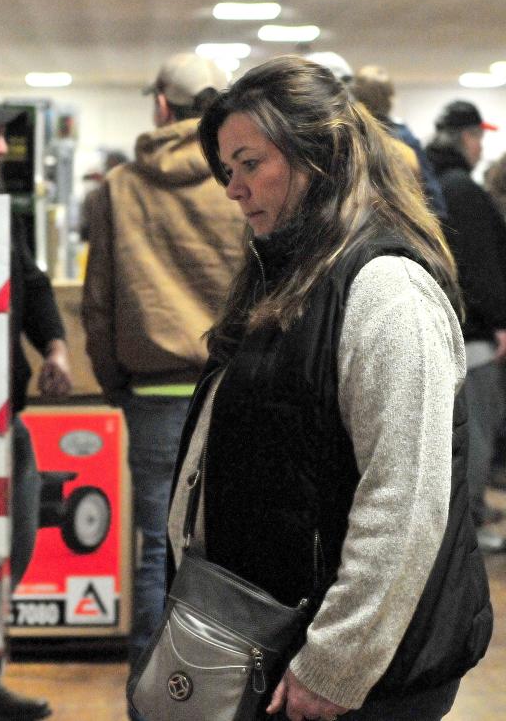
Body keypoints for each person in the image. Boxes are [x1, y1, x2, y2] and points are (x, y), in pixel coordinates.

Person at [161, 55, 492, 720]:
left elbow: (405, 501)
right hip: (276, 635)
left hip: (360, 679)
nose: (233, 188)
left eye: (250, 163)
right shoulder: (290, 273)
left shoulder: (385, 290)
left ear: (318, 155)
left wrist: (334, 664)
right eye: (229, 169)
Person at [81, 51, 246, 688]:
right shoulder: (239, 181)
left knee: (158, 552)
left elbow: (99, 303)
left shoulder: (119, 189)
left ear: (160, 106)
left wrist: (117, 383)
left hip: (154, 394)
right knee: (230, 557)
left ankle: (151, 702)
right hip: (233, 390)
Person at [0, 85, 72, 721]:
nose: (2, 147)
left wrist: (56, 348)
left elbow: (30, 282)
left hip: (6, 417)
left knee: (14, 547)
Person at [425, 100, 506, 554]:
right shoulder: (463, 191)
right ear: (466, 139)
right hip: (474, 337)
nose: (482, 146)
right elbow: (481, 269)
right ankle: (469, 529)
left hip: (450, 329)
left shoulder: (432, 182)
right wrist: (499, 321)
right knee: (475, 433)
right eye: (479, 137)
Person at [350, 64, 448, 219]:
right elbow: (433, 200)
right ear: (390, 98)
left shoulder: (348, 138)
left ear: (355, 97)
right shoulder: (405, 140)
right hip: (403, 223)